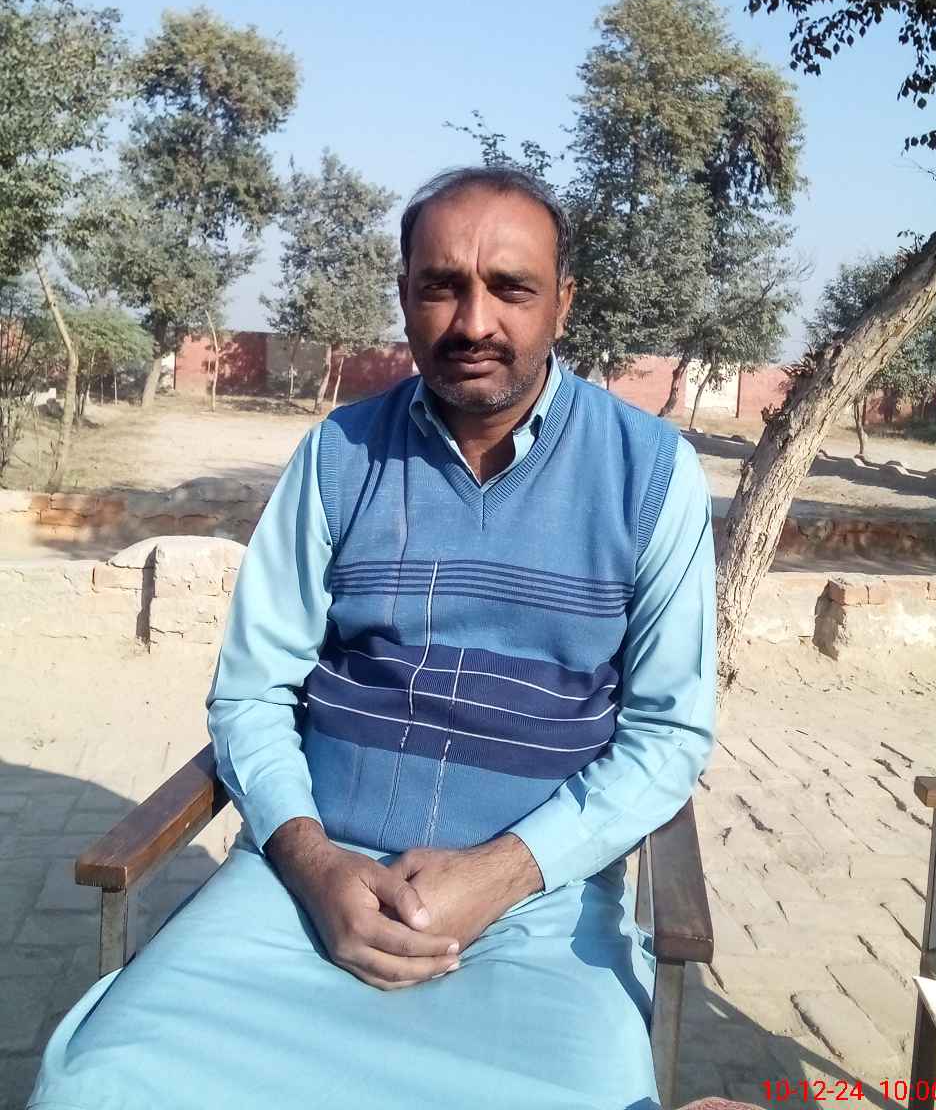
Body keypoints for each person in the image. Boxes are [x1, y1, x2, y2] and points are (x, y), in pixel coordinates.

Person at [29, 166, 717, 1110]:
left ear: (562, 302)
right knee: (102, 1087)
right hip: (303, 887)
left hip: (537, 909)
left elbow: (669, 734)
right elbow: (252, 691)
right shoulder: (337, 455)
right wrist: (314, 864)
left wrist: (505, 872)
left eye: (511, 288)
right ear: (404, 296)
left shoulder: (652, 474)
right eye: (442, 286)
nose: (474, 321)